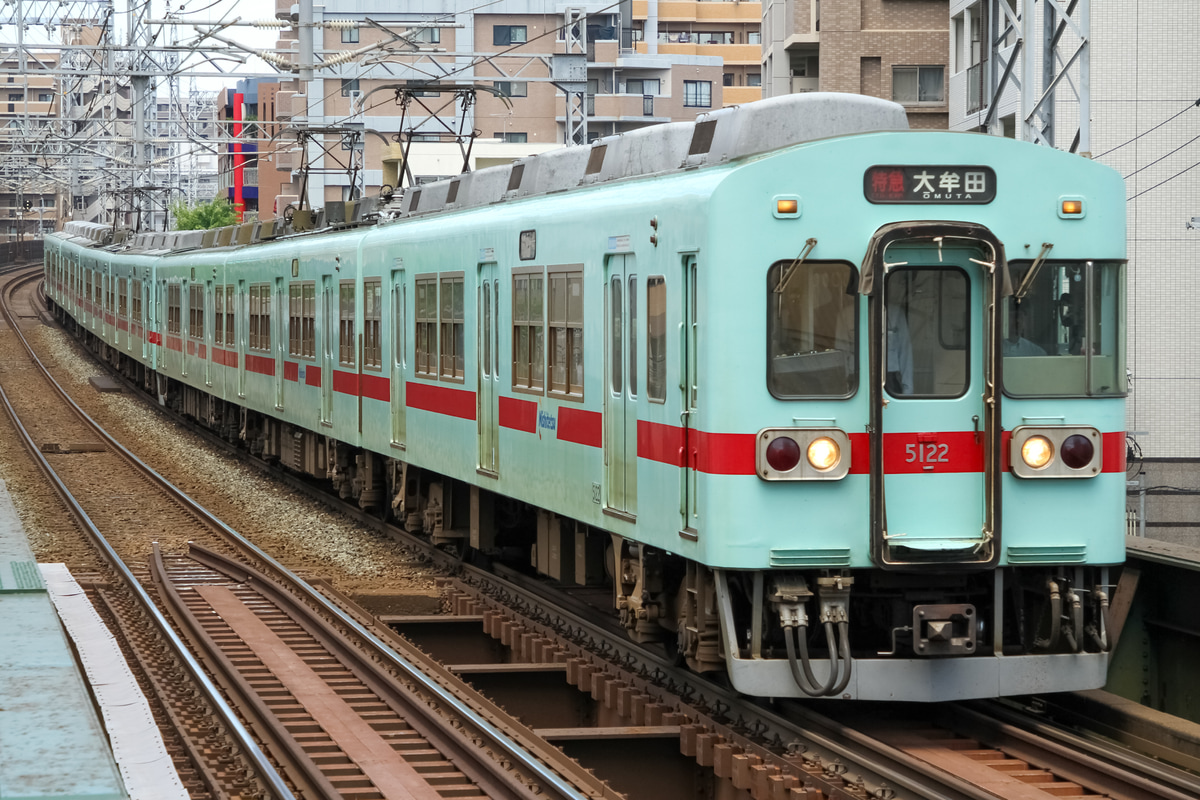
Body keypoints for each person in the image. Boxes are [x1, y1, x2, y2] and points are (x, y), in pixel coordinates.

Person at [886, 303, 913, 394]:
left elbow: (905, 352)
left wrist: (907, 392)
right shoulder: (847, 315)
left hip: (890, 378)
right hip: (857, 380)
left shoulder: (895, 313)